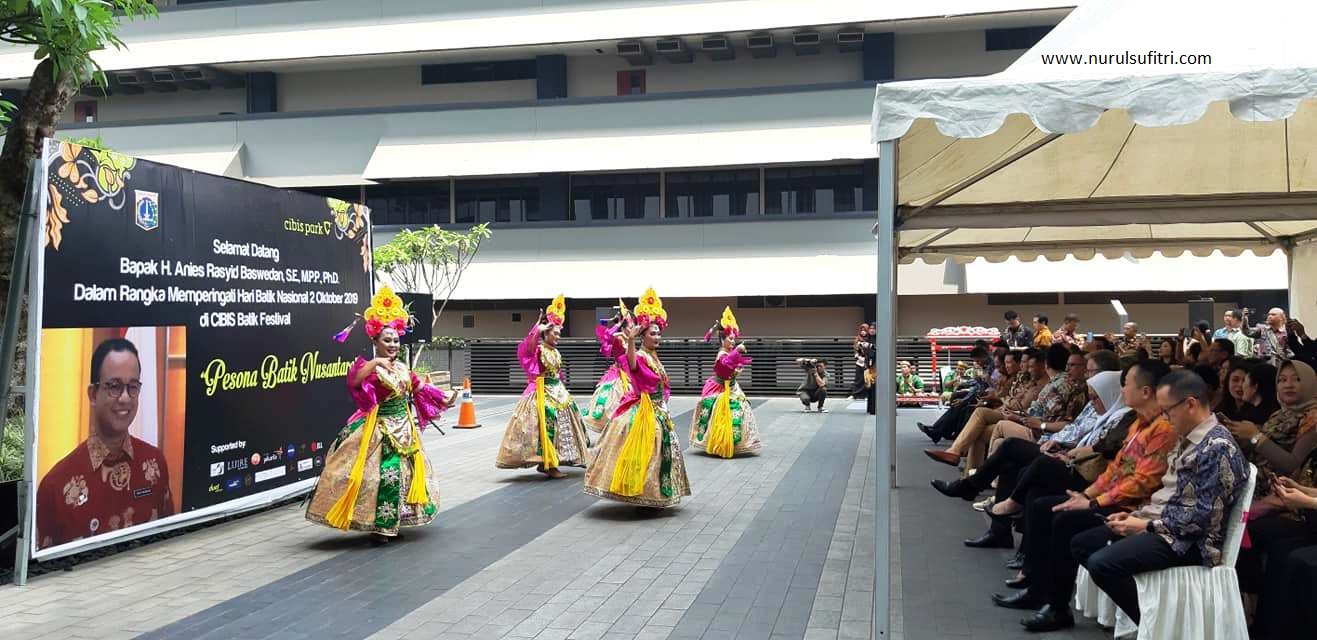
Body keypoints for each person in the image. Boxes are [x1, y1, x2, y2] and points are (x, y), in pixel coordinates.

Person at [1065, 371, 1248, 630]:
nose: (1165, 418)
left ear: (1190, 404)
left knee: (1102, 563)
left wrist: (1144, 526)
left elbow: (1200, 520)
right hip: (1169, 528)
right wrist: (1138, 516)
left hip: (1191, 543)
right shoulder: (1190, 438)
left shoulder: (1216, 447)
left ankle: (1157, 627)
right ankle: (1154, 623)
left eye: (1168, 411)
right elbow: (1170, 498)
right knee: (1083, 544)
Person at [306, 287, 453, 541]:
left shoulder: (403, 369)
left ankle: (393, 521)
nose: (393, 345)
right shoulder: (369, 368)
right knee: (381, 474)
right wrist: (375, 363)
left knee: (404, 476)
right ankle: (378, 525)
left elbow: (420, 388)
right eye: (387, 340)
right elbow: (353, 381)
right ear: (375, 342)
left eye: (396, 340)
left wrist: (445, 398)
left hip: (404, 430)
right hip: (378, 429)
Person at [36, 338, 175, 550]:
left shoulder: (154, 464)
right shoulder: (55, 486)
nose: (125, 398)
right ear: (93, 394)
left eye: (133, 387)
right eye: (114, 387)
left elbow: (169, 542)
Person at [584, 288, 691, 508]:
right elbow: (632, 366)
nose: (657, 337)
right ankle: (640, 494)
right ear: (642, 336)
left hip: (658, 410)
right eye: (652, 333)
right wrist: (630, 341)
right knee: (645, 452)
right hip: (644, 410)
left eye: (659, 333)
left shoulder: (654, 356)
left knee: (660, 453)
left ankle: (654, 493)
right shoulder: (641, 355)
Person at [925, 345, 1085, 471]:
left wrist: (1017, 415)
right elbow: (1017, 402)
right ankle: (970, 473)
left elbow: (1042, 417)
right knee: (978, 423)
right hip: (1030, 422)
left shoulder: (1055, 385)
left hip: (1040, 433)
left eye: (1028, 364)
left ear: (1045, 365)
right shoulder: (1048, 383)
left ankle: (974, 471)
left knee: (984, 417)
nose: (1026, 368)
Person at [496, 295, 592, 477]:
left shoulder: (555, 351)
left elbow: (557, 373)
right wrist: (536, 329)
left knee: (567, 422)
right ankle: (548, 464)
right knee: (547, 423)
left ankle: (556, 460)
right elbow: (527, 350)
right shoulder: (538, 349)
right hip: (542, 393)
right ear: (545, 334)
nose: (557, 336)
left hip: (558, 391)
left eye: (558, 334)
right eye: (554, 333)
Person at [917, 350, 1037, 444]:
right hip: (1000, 406)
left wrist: (990, 395)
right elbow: (1003, 396)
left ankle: (955, 441)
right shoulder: (1013, 378)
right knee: (964, 402)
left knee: (973, 409)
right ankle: (948, 437)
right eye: (1004, 364)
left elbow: (1009, 400)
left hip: (1005, 411)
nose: (1005, 367)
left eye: (1007, 363)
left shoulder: (1019, 379)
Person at [689, 307, 761, 458]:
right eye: (730, 339)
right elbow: (722, 368)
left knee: (741, 408)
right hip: (719, 388)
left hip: (732, 386)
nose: (733, 341)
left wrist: (737, 366)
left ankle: (736, 443)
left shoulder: (728, 352)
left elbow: (731, 368)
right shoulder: (722, 353)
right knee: (724, 413)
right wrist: (737, 352)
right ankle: (722, 442)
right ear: (722, 339)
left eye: (734, 339)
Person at [583, 311, 629, 441]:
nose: (632, 328)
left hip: (630, 374)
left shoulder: (630, 338)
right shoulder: (618, 336)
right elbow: (606, 335)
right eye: (629, 325)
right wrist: (616, 323)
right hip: (618, 375)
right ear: (624, 327)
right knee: (611, 402)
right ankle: (613, 429)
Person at [850, 324, 873, 398]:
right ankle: (856, 394)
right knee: (858, 378)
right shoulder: (857, 339)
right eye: (861, 330)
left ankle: (865, 394)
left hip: (868, 361)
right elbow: (855, 350)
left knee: (866, 378)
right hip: (859, 361)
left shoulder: (869, 339)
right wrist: (857, 356)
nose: (863, 332)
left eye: (864, 330)